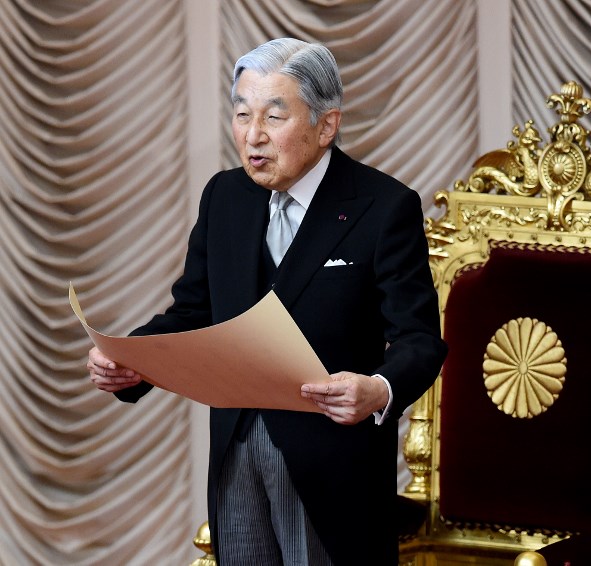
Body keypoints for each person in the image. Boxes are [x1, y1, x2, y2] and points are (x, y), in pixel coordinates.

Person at [86, 37, 447, 566]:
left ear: (325, 126)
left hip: (332, 465)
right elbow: (193, 312)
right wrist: (132, 359)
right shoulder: (225, 197)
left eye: (274, 117)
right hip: (236, 451)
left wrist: (379, 389)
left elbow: (419, 338)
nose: (252, 136)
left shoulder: (384, 208)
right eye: (241, 114)